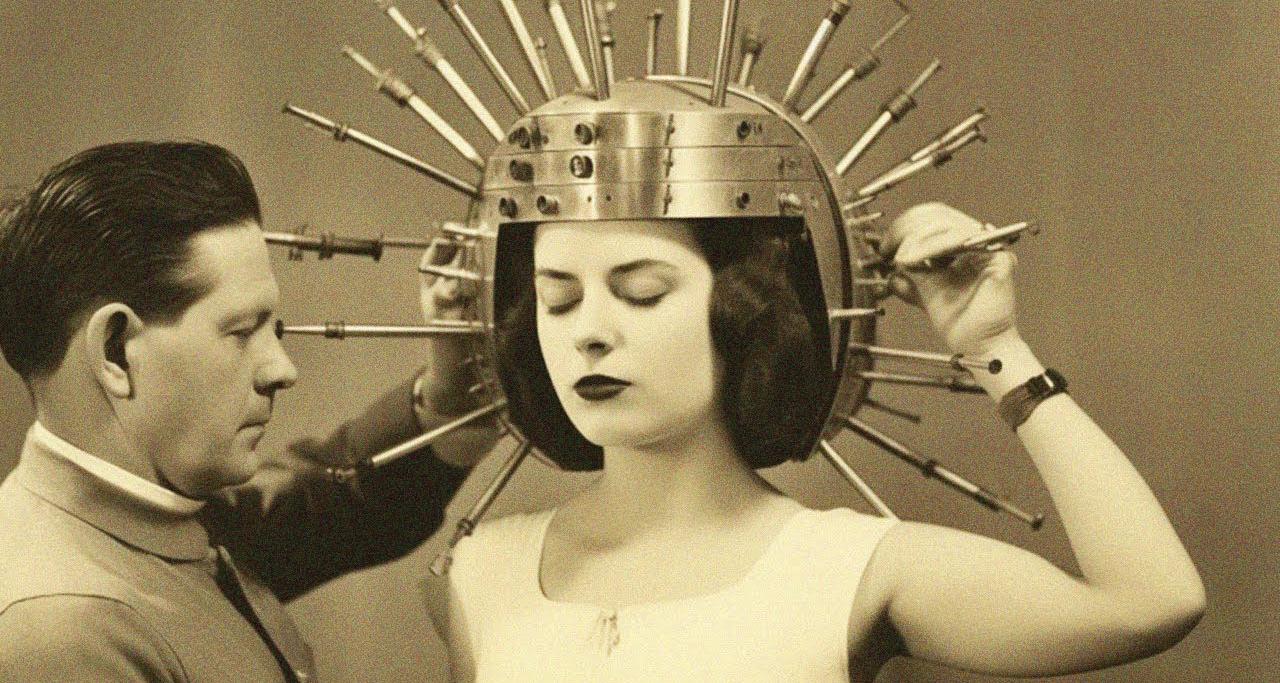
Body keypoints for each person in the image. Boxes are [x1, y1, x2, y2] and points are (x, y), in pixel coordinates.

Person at [426, 209, 1206, 681]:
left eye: (642, 292)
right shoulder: (483, 573)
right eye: (559, 299)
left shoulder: (848, 569)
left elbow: (1151, 601)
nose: (590, 332)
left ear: (741, 310)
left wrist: (995, 346)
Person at [0, 141, 496, 681]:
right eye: (241, 331)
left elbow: (328, 506)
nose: (283, 369)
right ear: (115, 351)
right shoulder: (60, 635)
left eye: (273, 330)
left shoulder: (163, 514)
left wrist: (454, 392)